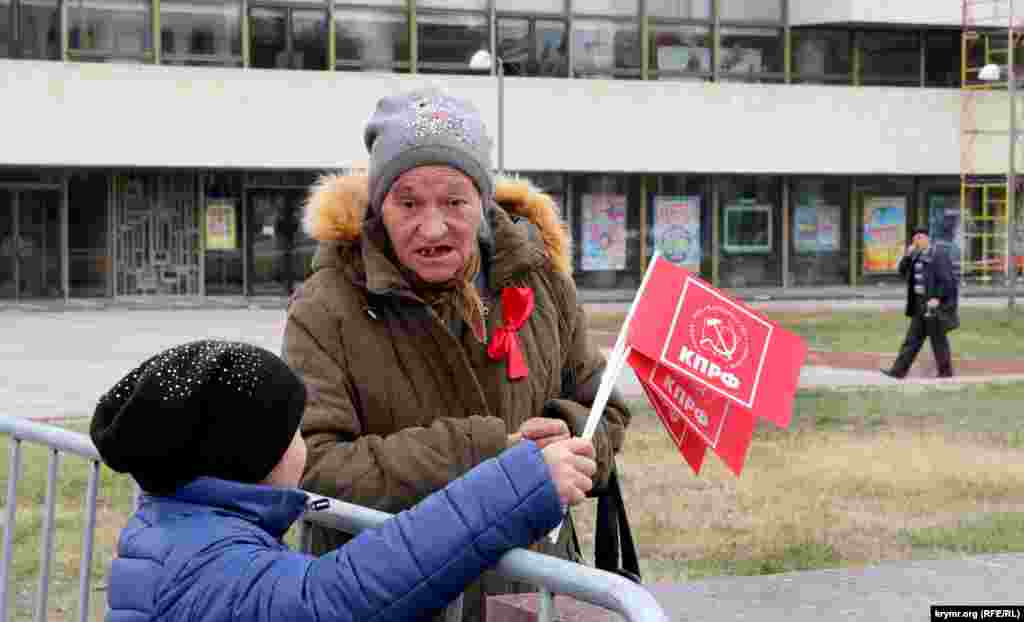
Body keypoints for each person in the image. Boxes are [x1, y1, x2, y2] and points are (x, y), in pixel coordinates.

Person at [282, 87, 632, 621]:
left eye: (454, 201)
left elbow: (605, 410)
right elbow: (315, 468)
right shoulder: (326, 306)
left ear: (483, 203)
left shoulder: (541, 283)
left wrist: (573, 441)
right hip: (388, 599)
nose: (433, 227)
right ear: (378, 206)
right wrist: (492, 456)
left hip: (526, 591)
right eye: (408, 202)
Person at [90, 339, 597, 622]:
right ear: (250, 461)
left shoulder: (173, 526)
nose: (304, 443)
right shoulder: (216, 568)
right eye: (293, 431)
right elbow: (342, 595)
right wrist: (524, 483)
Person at [881, 227, 958, 379]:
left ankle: (945, 373)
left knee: (938, 341)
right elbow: (902, 271)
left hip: (933, 305)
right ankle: (897, 372)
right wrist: (908, 255)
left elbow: (948, 280)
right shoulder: (914, 255)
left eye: (921, 237)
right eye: (915, 238)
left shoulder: (938, 255)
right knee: (911, 341)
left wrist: (938, 298)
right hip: (919, 305)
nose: (918, 241)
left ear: (928, 238)